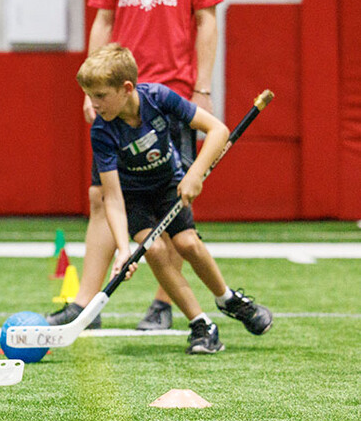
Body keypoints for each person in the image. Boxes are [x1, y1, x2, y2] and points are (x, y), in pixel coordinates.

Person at [49, 0, 223, 331]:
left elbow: (207, 19)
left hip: (171, 93)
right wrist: (91, 86)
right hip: (118, 93)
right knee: (99, 195)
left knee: (172, 203)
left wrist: (202, 88)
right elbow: (103, 19)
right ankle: (86, 303)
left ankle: (165, 302)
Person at [78, 45, 272, 353]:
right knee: (153, 250)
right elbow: (112, 198)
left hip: (169, 184)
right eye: (90, 96)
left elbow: (217, 130)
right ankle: (201, 325)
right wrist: (123, 250)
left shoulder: (159, 97)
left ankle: (228, 299)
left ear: (127, 88)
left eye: (100, 95)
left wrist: (194, 174)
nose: (93, 104)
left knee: (187, 245)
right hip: (134, 196)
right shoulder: (102, 131)